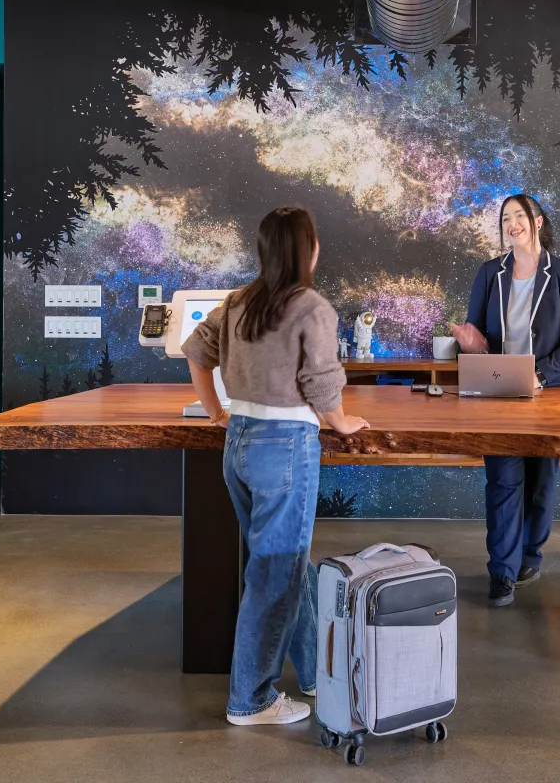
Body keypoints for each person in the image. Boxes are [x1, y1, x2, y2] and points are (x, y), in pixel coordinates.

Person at [183, 206, 371, 727]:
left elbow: (196, 354)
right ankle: (251, 699)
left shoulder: (240, 300)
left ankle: (314, 672)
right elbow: (321, 384)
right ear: (308, 250)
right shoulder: (311, 307)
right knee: (274, 575)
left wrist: (216, 412)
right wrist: (340, 420)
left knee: (286, 566)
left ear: (265, 250)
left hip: (238, 446)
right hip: (286, 447)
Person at [452, 194, 560, 608]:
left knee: (541, 483)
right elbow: (477, 337)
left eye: (519, 216)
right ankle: (502, 573)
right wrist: (472, 342)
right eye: (505, 218)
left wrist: (540, 374)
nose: (512, 224)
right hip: (499, 391)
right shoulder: (490, 272)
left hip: (550, 394)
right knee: (504, 481)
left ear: (538, 221)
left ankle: (530, 555)